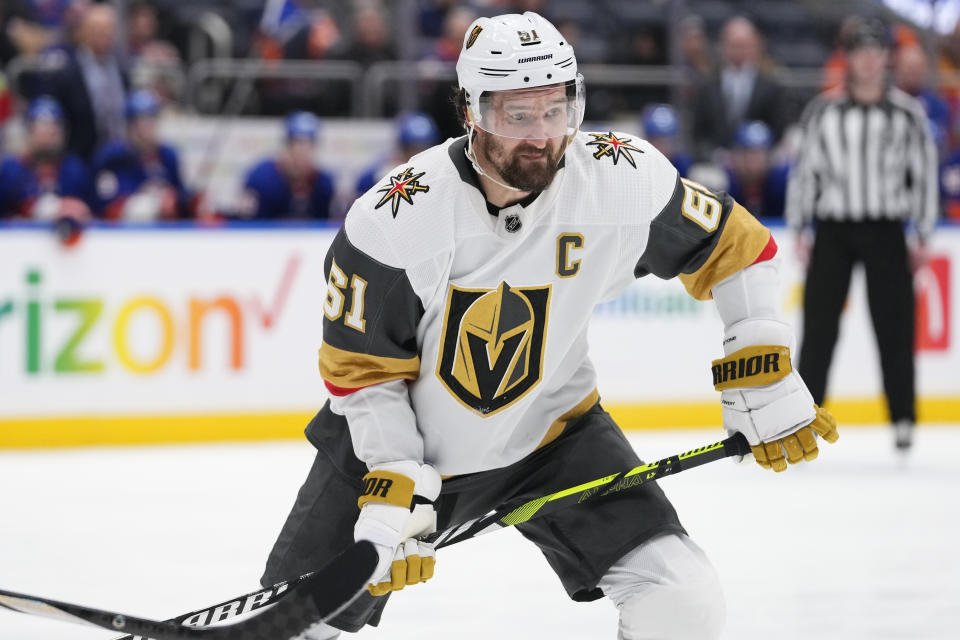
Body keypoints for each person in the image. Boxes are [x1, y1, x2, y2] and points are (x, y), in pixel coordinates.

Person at [262, 12, 838, 640]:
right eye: (518, 115)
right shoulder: (397, 220)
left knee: (682, 600)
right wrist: (394, 484)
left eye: (556, 109)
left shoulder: (617, 179)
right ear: (471, 110)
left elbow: (737, 246)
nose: (542, 135)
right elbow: (364, 373)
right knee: (290, 631)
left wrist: (760, 358)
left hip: (552, 437)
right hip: (395, 451)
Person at [785, 19, 937, 452]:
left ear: (886, 58)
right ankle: (804, 418)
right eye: (860, 52)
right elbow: (804, 174)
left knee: (895, 326)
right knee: (818, 328)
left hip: (887, 229)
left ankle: (903, 417)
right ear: (847, 58)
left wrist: (923, 233)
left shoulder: (907, 113)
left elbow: (923, 173)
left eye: (876, 52)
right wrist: (800, 228)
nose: (869, 60)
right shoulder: (824, 111)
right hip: (833, 229)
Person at [34, 3, 128, 161]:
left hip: (119, 155)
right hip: (81, 157)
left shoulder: (122, 71)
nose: (104, 34)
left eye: (108, 29)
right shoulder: (67, 75)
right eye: (98, 28)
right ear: (84, 32)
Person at [692, 16, 786, 159]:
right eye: (734, 45)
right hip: (716, 164)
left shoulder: (770, 87)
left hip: (759, 165)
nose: (739, 51)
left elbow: (778, 130)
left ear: (754, 46)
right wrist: (712, 154)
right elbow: (697, 132)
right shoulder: (707, 87)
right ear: (723, 46)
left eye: (743, 45)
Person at [90, 90, 192, 221]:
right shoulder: (112, 157)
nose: (148, 129)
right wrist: (148, 202)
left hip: (164, 231)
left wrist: (180, 200)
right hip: (123, 233)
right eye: (142, 123)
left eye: (152, 121)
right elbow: (103, 205)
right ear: (130, 127)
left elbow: (181, 195)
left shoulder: (167, 156)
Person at [0, 96, 93, 228]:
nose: (47, 137)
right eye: (41, 130)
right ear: (29, 132)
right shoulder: (12, 169)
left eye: (53, 130)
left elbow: (93, 212)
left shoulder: (74, 169)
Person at [236, 111, 336, 220]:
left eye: (308, 144)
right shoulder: (261, 177)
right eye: (297, 143)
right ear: (287, 145)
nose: (302, 151)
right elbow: (246, 224)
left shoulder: (323, 183)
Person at [355, 111, 440, 198]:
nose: (419, 153)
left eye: (425, 148)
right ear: (403, 148)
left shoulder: (438, 173)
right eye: (413, 148)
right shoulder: (378, 173)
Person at [725, 121, 789, 219]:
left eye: (759, 154)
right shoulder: (726, 185)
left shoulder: (782, 185)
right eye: (748, 153)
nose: (754, 161)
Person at [640, 103, 693, 178]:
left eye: (667, 141)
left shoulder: (682, 164)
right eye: (656, 140)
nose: (662, 147)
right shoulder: (638, 164)